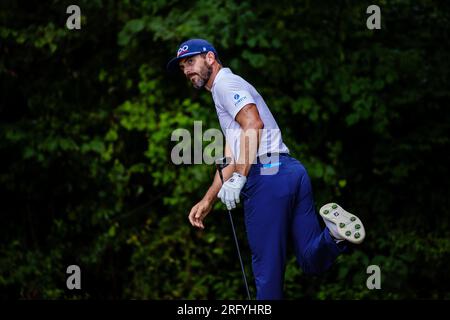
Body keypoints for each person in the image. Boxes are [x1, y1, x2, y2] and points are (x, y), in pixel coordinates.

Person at [167, 39, 366, 299]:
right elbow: (231, 157)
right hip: (291, 172)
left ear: (211, 59)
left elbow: (254, 124)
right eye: (183, 66)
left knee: (267, 276)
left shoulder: (226, 84)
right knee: (311, 260)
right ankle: (335, 235)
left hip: (267, 176)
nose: (187, 70)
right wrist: (208, 200)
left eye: (191, 62)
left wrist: (240, 177)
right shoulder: (223, 94)